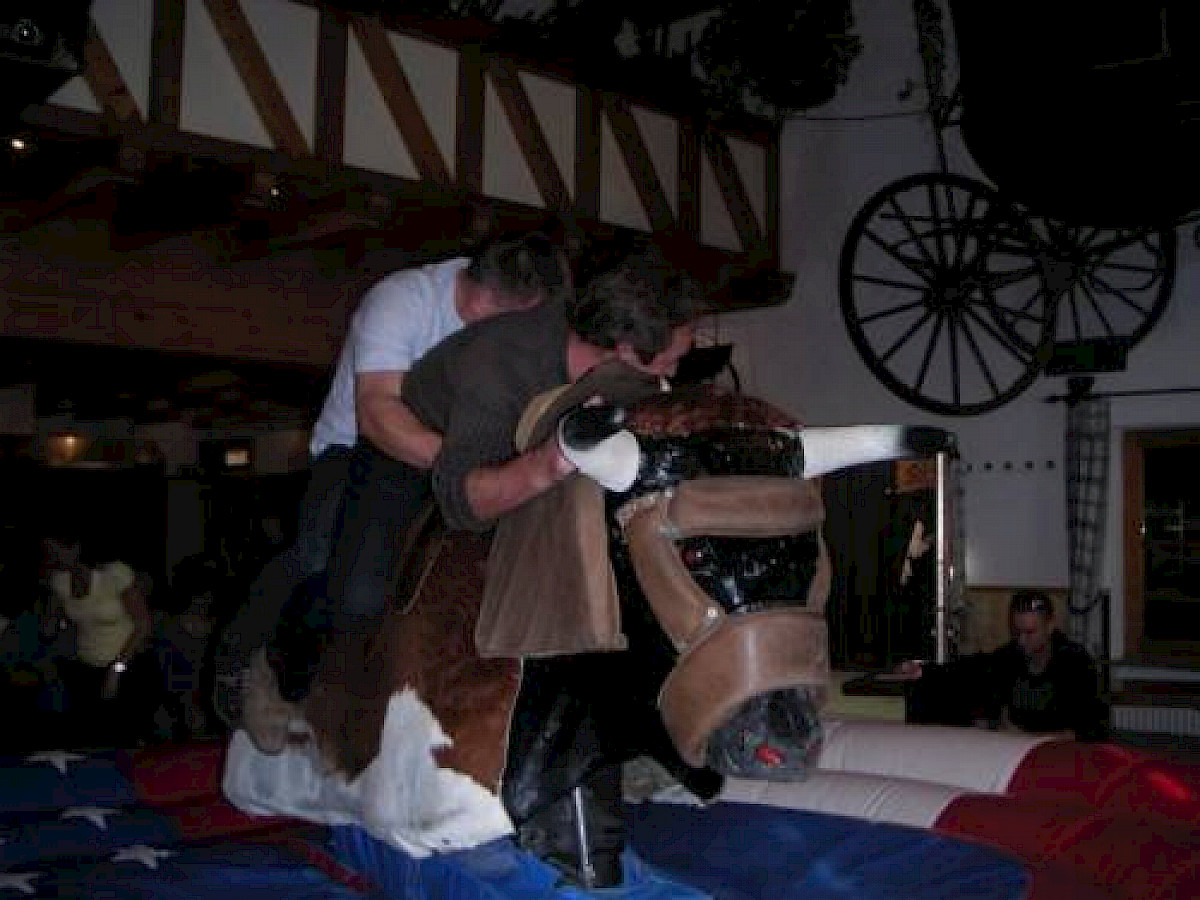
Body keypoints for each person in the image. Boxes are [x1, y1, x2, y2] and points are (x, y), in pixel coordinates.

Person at [213, 229, 569, 724]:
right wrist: (472, 470)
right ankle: (246, 657)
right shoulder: (400, 300)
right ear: (490, 297)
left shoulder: (513, 322)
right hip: (357, 447)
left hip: (451, 455)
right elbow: (379, 414)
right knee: (320, 553)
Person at [895, 589, 1108, 740]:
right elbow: (969, 669)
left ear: (1050, 626)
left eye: (1030, 632)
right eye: (1017, 632)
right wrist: (923, 670)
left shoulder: (1075, 663)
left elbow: (1088, 731)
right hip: (1013, 749)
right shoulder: (1010, 656)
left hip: (1059, 756)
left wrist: (1027, 739)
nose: (1022, 640)